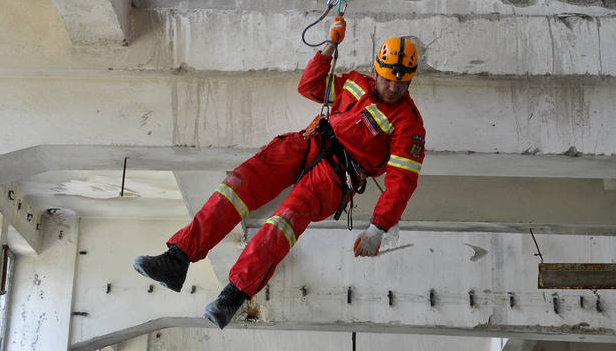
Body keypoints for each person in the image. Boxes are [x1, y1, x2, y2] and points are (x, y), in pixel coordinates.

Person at [133, 18, 426, 329]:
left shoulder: (409, 125)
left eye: (402, 82)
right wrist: (330, 46)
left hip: (337, 175)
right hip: (309, 141)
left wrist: (377, 229)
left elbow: (401, 183)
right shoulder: (355, 82)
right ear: (377, 70)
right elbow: (310, 86)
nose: (393, 87)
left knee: (283, 222)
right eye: (387, 79)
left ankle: (233, 296)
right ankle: (177, 258)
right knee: (239, 185)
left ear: (410, 81)